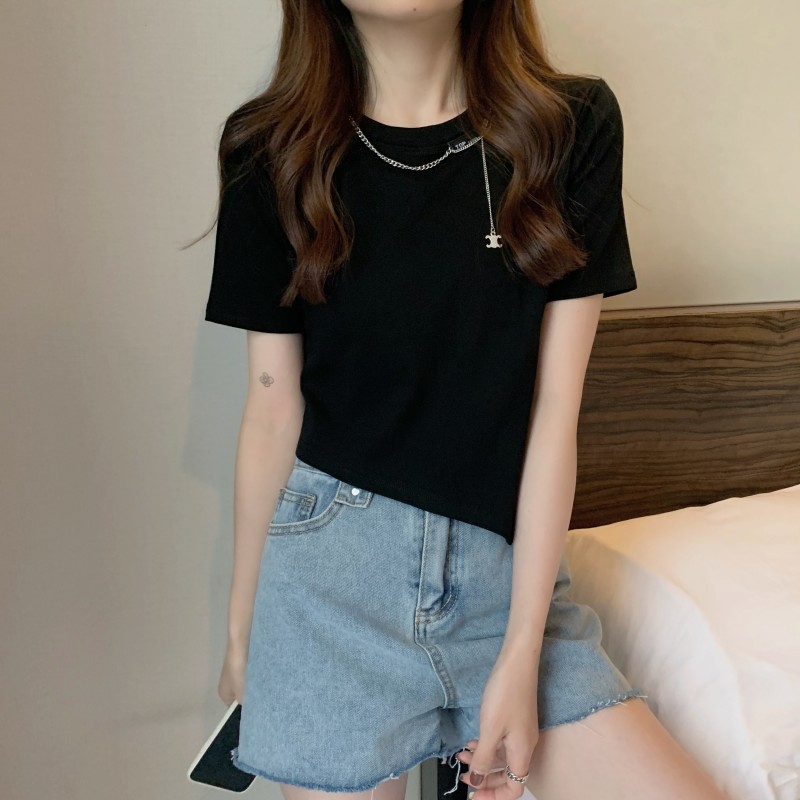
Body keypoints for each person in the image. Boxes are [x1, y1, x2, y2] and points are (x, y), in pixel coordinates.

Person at [201, 2, 730, 799]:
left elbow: (555, 409)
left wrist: (520, 652)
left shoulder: (567, 126)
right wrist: (245, 629)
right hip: (330, 592)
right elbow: (272, 411)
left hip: (506, 584)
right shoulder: (270, 146)